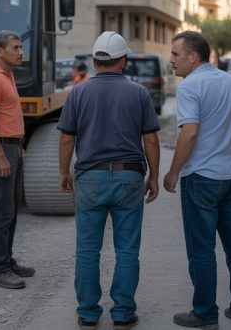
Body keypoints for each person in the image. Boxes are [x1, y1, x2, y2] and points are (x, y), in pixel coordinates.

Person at [58, 31, 161, 330]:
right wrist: (153, 175)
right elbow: (151, 140)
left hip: (91, 178)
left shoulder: (78, 92)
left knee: (88, 249)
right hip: (130, 176)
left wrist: (64, 171)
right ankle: (123, 313)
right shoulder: (138, 93)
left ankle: (89, 314)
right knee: (127, 249)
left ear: (94, 61)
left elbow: (67, 139)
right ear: (123, 60)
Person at [163, 31, 231, 329]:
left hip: (201, 177)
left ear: (193, 57)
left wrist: (173, 171)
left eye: (176, 54)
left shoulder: (190, 86)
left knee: (201, 248)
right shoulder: (229, 81)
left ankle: (204, 313)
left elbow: (189, 133)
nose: (171, 60)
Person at [0, 30, 35, 289]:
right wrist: (1, 154)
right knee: (2, 213)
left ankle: (7, 261)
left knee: (11, 211)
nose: (21, 52)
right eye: (15, 47)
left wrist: (18, 146)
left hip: (11, 147)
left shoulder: (7, 75)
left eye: (21, 47)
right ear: (0, 51)